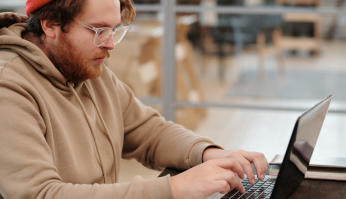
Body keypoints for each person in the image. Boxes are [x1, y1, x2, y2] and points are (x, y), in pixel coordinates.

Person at [0, 0, 268, 198]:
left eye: (114, 29)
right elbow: (41, 194)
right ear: (50, 25)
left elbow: (149, 132)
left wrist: (209, 154)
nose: (110, 43)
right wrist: (173, 189)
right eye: (97, 30)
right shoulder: (9, 86)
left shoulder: (87, 68)